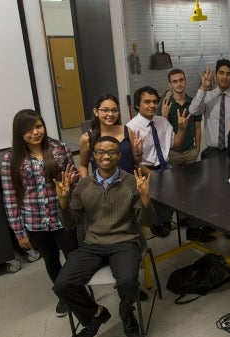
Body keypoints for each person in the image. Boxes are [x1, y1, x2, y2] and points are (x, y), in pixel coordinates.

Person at [53, 136, 157, 337]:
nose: (105, 156)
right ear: (94, 156)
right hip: (93, 244)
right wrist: (63, 202)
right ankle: (95, 314)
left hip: (125, 242)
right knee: (62, 284)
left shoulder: (132, 182)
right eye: (100, 152)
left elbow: (148, 221)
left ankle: (127, 314)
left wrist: (145, 199)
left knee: (128, 281)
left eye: (111, 152)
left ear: (119, 156)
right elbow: (70, 223)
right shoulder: (83, 186)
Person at [0, 109, 79, 317]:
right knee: (50, 258)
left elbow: (75, 177)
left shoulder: (59, 147)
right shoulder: (11, 159)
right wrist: (19, 232)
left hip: (63, 215)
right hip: (34, 221)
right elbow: (10, 197)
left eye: (38, 126)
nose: (35, 132)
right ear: (19, 133)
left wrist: (72, 182)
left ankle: (78, 292)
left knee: (74, 256)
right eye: (28, 129)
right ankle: (64, 295)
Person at [126, 86, 189, 238]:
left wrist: (181, 129)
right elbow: (133, 162)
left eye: (155, 102)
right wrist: (153, 174)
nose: (152, 105)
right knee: (158, 197)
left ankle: (171, 220)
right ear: (137, 105)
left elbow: (176, 144)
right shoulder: (130, 128)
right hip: (145, 171)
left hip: (165, 168)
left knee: (187, 189)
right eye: (147, 102)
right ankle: (158, 222)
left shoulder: (162, 122)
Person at [79, 94, 143, 178]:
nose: (110, 114)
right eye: (105, 110)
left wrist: (138, 152)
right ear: (96, 112)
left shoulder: (127, 131)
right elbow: (83, 165)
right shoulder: (87, 137)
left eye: (114, 110)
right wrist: (87, 184)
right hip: (102, 186)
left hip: (128, 184)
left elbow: (136, 162)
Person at [159, 69, 202, 167]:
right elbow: (160, 129)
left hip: (190, 152)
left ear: (185, 81)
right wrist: (164, 116)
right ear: (170, 85)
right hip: (172, 153)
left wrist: (197, 149)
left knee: (193, 181)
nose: (179, 84)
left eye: (181, 80)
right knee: (174, 182)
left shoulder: (194, 103)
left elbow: (198, 127)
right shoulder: (165, 104)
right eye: (175, 81)